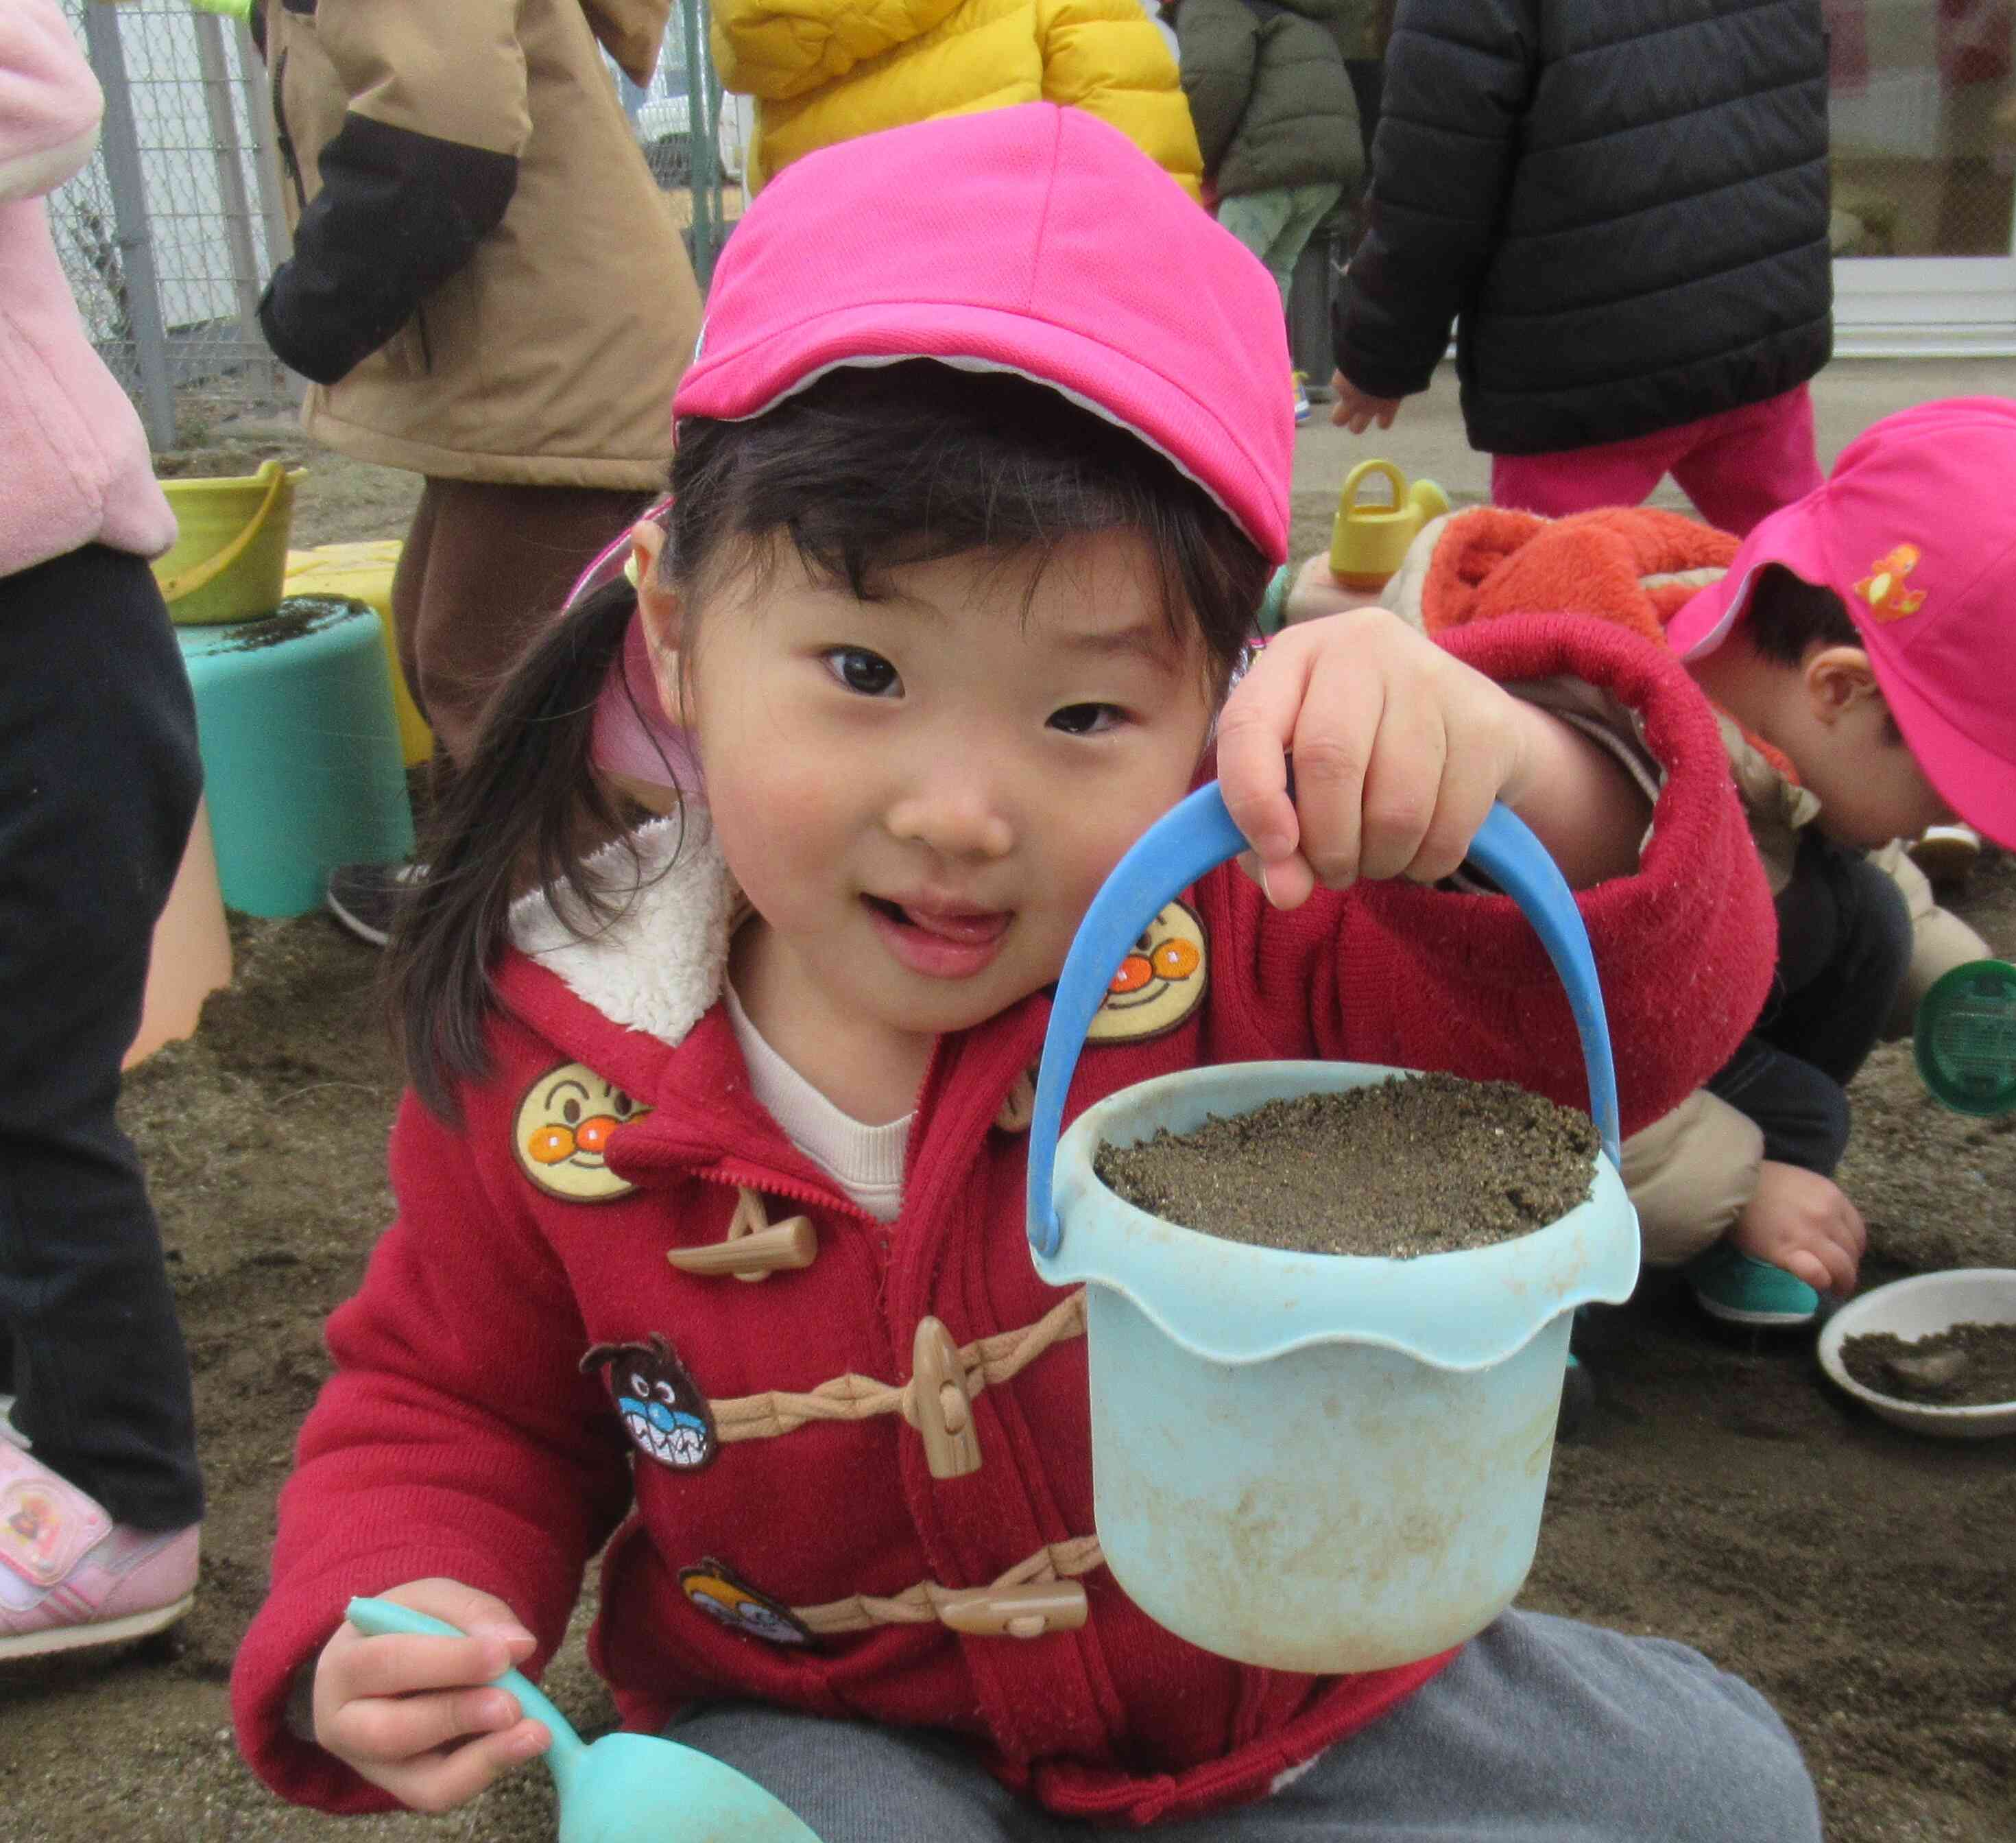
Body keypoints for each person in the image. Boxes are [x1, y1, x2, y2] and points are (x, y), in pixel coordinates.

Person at [230, 106, 1818, 1843]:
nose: (962, 810)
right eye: (865, 672)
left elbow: (1631, 1002)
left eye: (1083, 715)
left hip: (1284, 1691)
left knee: (1727, 1839)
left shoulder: (1260, 940)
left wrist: (1508, 762)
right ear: (678, 640)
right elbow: (450, 1394)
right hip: (853, 1748)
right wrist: (409, 1590)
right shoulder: (565, 1061)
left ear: (1214, 710)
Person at [1342, 399, 2016, 1327]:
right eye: (1943, 799)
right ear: (1839, 689)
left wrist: (1994, 997)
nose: (1941, 826)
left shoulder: (1748, 657)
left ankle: (1717, 1176)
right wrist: (1740, 1184)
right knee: (1799, 1122)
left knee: (1866, 915)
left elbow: (1884, 878)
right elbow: (1493, 1056)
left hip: (1639, 986)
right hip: (1454, 1085)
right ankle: (1562, 1288)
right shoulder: (1586, 789)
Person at [251, 0, 702, 945]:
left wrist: (321, 297)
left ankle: (596, 955)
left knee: (503, 677)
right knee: (449, 637)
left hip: (559, 364)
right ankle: (489, 897)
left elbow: (440, 129)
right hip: (525, 361)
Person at [0, 0, 204, 1657]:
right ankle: (38, 1465)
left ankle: (124, 1512)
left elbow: (43, 93)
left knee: (25, 1092)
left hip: (44, 638)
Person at [1325, 0, 1832, 537]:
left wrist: (1379, 355)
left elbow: (1433, 182)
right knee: (1810, 577)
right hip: (1756, 317)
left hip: (1588, 360)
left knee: (1545, 600)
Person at [708, 0, 1201, 197]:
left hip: (838, 403)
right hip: (1024, 396)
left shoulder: (781, 57)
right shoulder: (1057, 9)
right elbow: (1158, 239)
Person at [1171, 0, 1365, 421]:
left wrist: (1194, 158)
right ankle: (1276, 388)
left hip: (1270, 161)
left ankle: (1218, 392)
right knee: (1271, 277)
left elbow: (1214, 81)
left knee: (1225, 279)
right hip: (1326, 160)